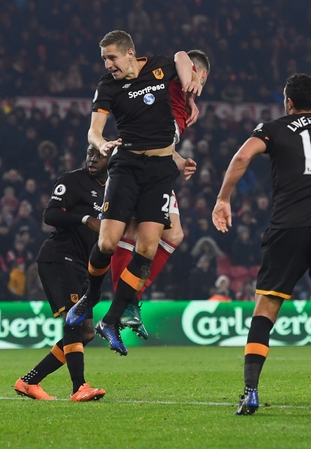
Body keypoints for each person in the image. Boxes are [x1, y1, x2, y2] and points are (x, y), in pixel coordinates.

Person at [212, 74, 311, 415]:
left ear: (288, 101)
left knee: (266, 309)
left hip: (288, 227)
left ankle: (250, 392)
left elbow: (243, 157)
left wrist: (223, 198)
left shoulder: (274, 127)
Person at [64, 30, 201, 356]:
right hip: (126, 166)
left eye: (111, 57)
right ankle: (91, 297)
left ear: (130, 54)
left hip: (160, 172)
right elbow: (94, 130)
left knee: (148, 247)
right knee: (108, 242)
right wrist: (101, 143)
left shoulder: (156, 67)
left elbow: (182, 56)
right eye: (104, 59)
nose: (108, 64)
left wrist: (189, 86)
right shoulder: (108, 86)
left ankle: (111, 320)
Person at [111, 49, 209, 339]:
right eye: (202, 78)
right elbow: (180, 55)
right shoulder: (181, 75)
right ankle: (125, 300)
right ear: (200, 73)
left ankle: (130, 297)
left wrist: (178, 159)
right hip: (138, 164)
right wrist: (192, 86)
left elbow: (159, 135)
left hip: (160, 160)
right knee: (131, 232)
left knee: (173, 235)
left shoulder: (171, 93)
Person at [15, 144, 108, 402]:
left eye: (100, 155)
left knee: (86, 332)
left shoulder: (114, 189)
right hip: (58, 257)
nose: (93, 158)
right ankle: (79, 387)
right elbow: (50, 214)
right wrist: (84, 219)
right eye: (90, 153)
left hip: (83, 264)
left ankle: (29, 381)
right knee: (74, 320)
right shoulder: (72, 180)